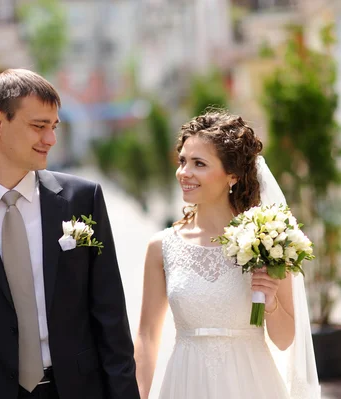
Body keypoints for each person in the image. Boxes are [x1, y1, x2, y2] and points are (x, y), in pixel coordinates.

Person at [0, 69, 140, 399]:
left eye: (53, 127)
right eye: (38, 126)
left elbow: (111, 315)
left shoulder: (82, 199)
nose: (50, 139)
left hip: (80, 388)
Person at [134, 111, 319, 399]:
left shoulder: (267, 239)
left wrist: (269, 301)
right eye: (183, 161)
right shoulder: (161, 247)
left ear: (231, 175)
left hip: (253, 385)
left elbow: (284, 341)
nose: (185, 172)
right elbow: (146, 336)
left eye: (199, 164)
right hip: (186, 385)